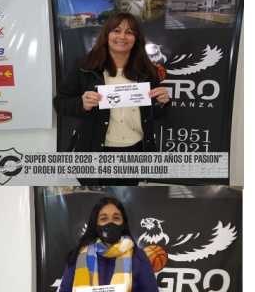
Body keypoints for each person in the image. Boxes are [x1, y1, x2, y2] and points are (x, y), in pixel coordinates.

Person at [54, 12, 171, 185]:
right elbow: (60, 103)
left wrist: (163, 103)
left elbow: (156, 114)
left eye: (129, 32)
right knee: (95, 196)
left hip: (134, 152)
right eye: (116, 30)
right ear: (106, 34)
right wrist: (82, 104)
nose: (122, 36)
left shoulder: (147, 70)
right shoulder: (85, 67)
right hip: (95, 152)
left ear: (136, 39)